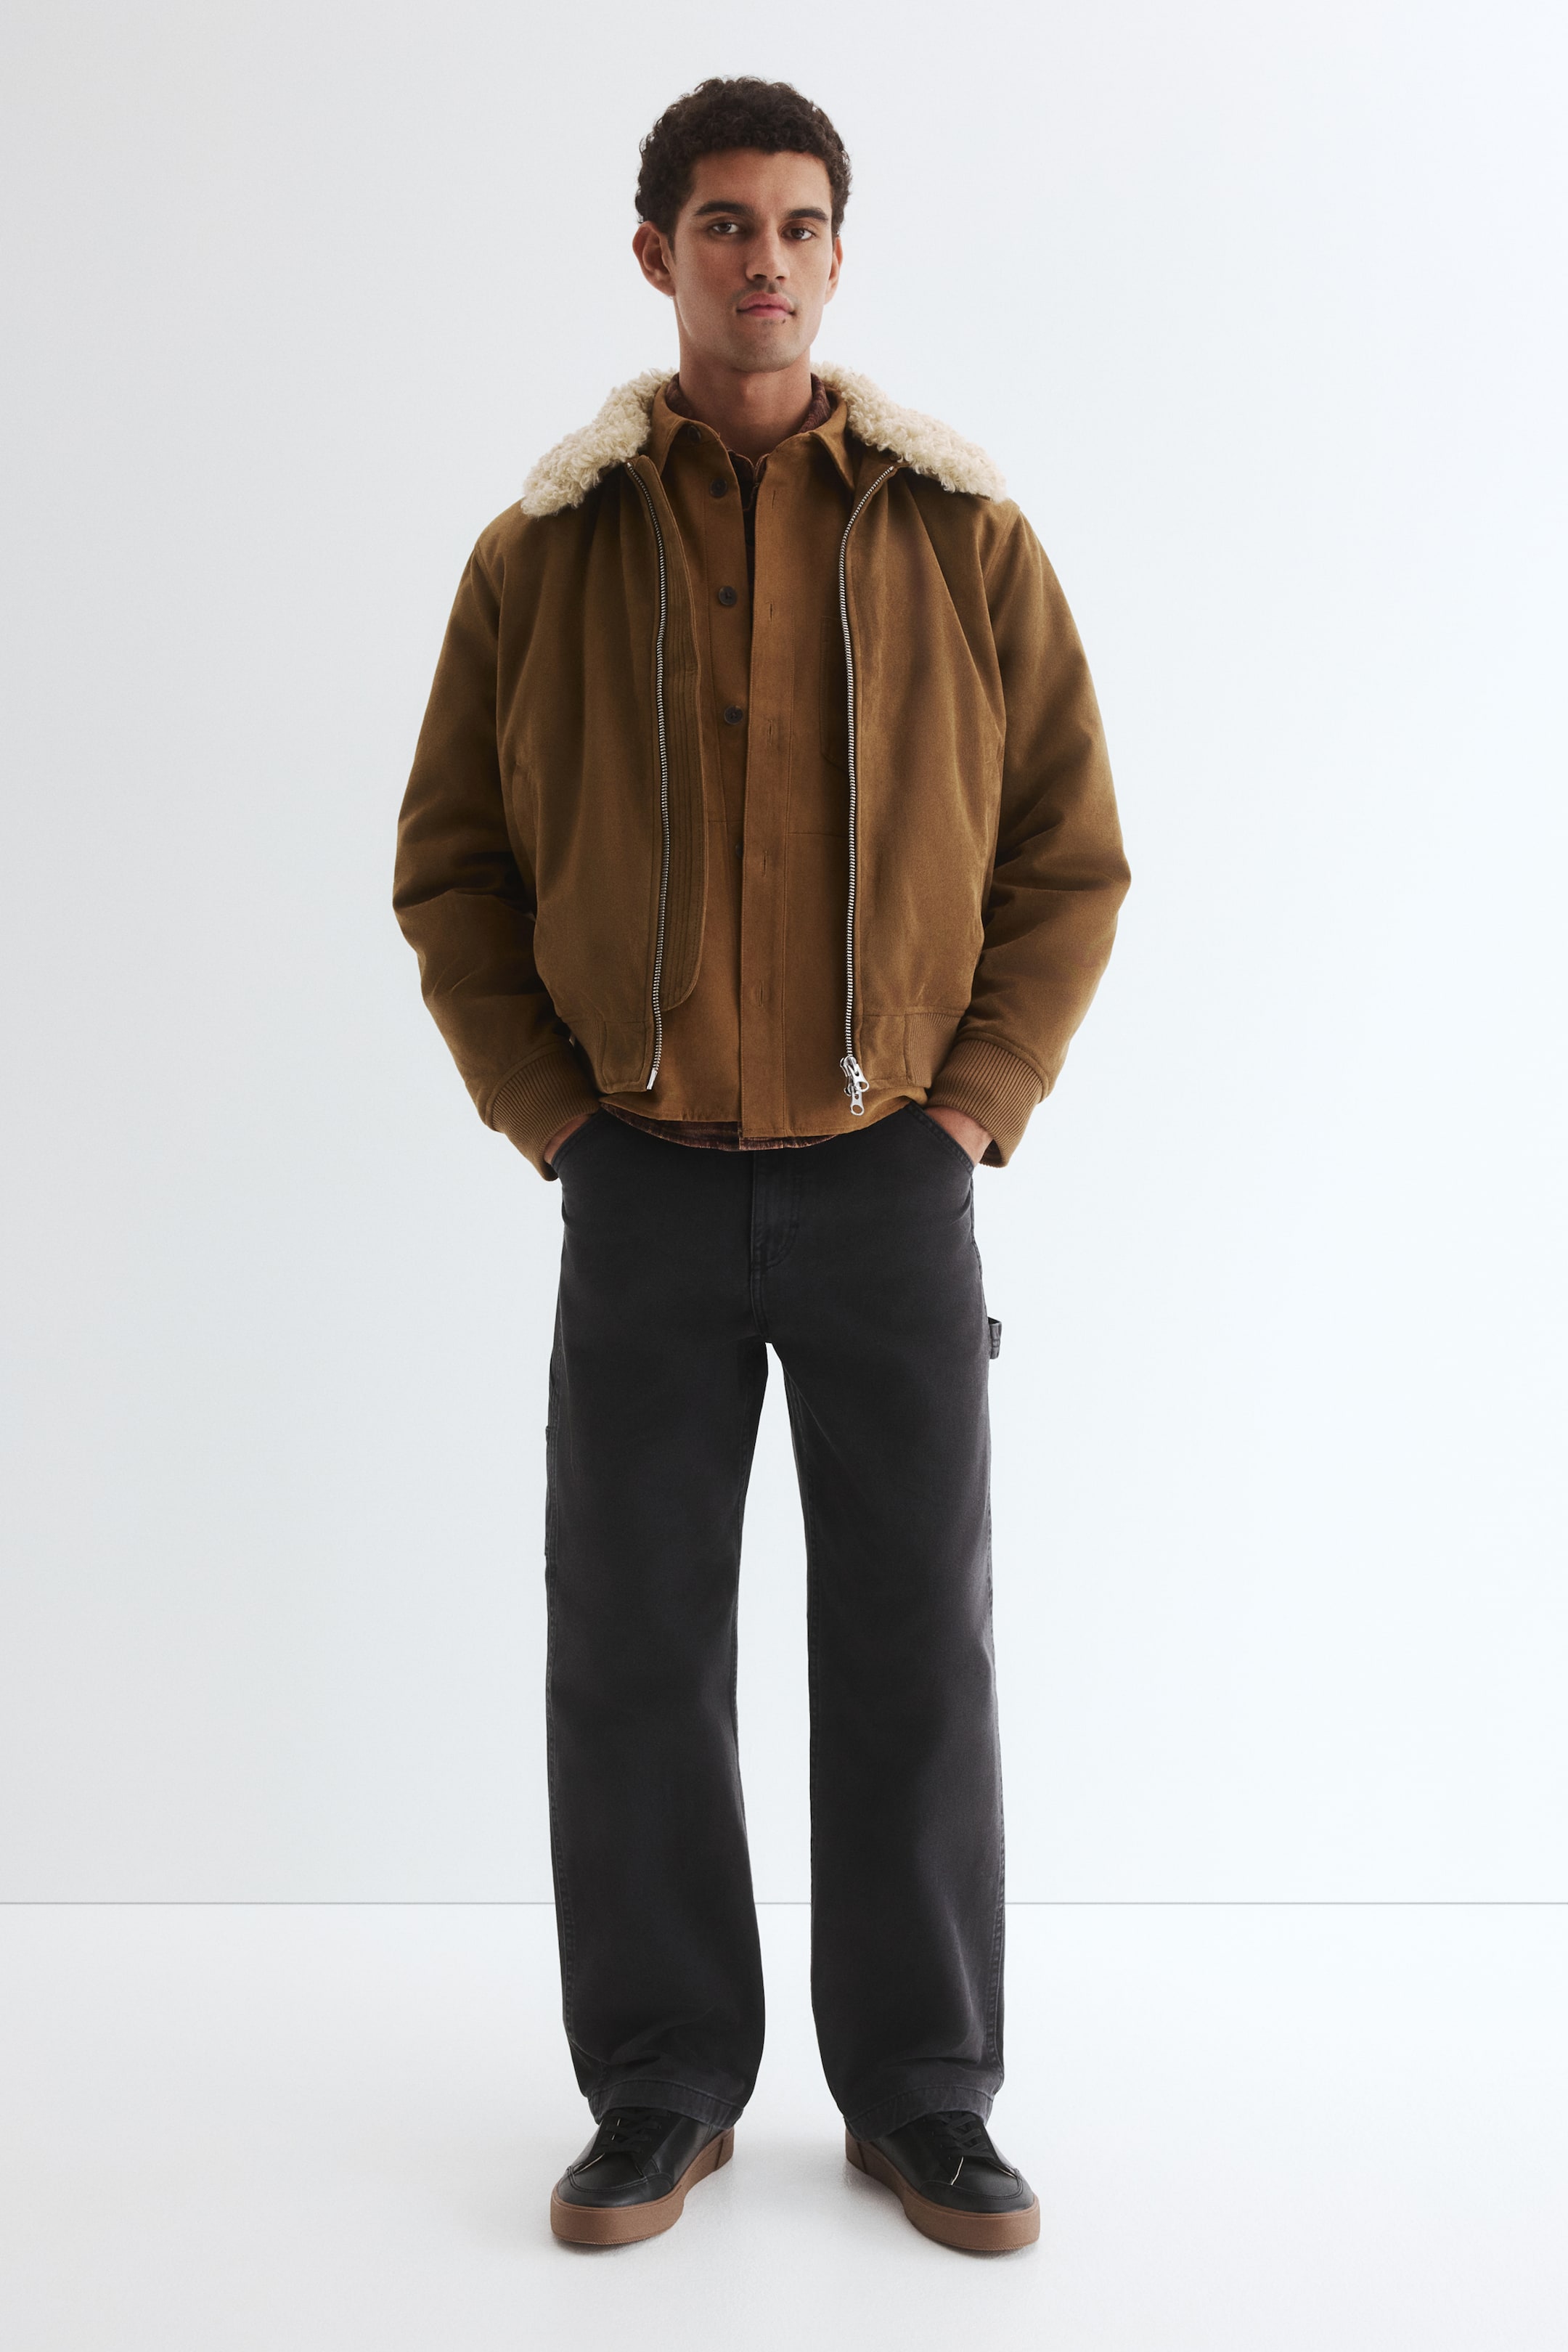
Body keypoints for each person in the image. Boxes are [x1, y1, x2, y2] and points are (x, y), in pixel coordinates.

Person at [393, 75, 1129, 2255]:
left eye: (801, 225)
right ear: (657, 255)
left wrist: (975, 1102)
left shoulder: (960, 536)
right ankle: (659, 2086)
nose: (767, 261)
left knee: (916, 1643)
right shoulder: (542, 552)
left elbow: (1068, 852)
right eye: (725, 224)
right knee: (632, 1642)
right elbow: (451, 867)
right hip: (639, 1180)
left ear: (837, 253)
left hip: (897, 1176)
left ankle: (924, 2095)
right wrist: (554, 1115)